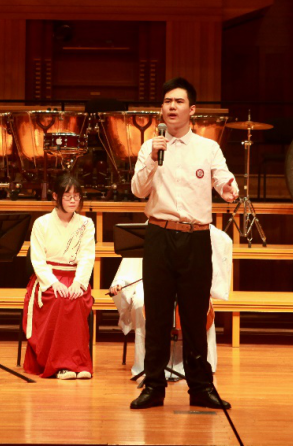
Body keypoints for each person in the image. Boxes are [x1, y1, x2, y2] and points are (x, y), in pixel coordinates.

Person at [130, 77, 238, 410]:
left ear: (192, 110)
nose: (172, 106)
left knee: (194, 316)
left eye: (178, 101)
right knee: (158, 316)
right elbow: (138, 190)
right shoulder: (150, 147)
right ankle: (153, 386)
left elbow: (222, 179)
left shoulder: (208, 148)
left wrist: (230, 188)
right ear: (161, 109)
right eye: (167, 102)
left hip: (195, 238)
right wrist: (152, 157)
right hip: (159, 236)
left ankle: (201, 388)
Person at [110, 225, 232, 380]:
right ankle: (151, 364)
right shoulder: (152, 225)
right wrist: (121, 282)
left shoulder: (193, 223)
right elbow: (130, 265)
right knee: (141, 301)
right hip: (152, 280)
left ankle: (193, 365)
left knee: (197, 302)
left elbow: (222, 240)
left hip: (188, 278)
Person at [22, 173, 96, 380]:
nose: (73, 200)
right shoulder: (42, 223)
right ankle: (60, 365)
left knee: (76, 299)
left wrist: (79, 283)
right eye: (68, 196)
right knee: (60, 300)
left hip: (75, 278)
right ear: (56, 196)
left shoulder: (86, 223)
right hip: (48, 278)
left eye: (77, 196)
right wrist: (53, 283)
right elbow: (37, 260)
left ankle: (79, 363)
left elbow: (87, 256)